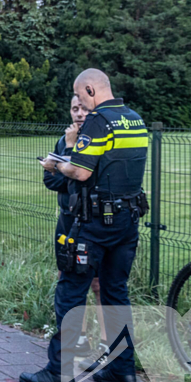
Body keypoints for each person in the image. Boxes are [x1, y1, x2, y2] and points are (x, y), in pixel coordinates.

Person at [21, 69, 148, 382]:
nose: (81, 105)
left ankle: (59, 373)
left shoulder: (99, 121)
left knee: (71, 294)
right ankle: (123, 372)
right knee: (116, 294)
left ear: (91, 90)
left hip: (94, 224)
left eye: (81, 96)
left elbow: (79, 171)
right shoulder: (135, 120)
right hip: (127, 221)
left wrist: (56, 165)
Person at [43, 96, 107, 361]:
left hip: (91, 221)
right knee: (65, 275)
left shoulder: (98, 139)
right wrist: (65, 172)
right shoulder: (64, 139)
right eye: (74, 109)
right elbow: (50, 180)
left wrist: (63, 164)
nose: (79, 114)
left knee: (98, 283)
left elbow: (82, 179)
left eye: (84, 108)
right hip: (67, 219)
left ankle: (106, 343)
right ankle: (78, 338)